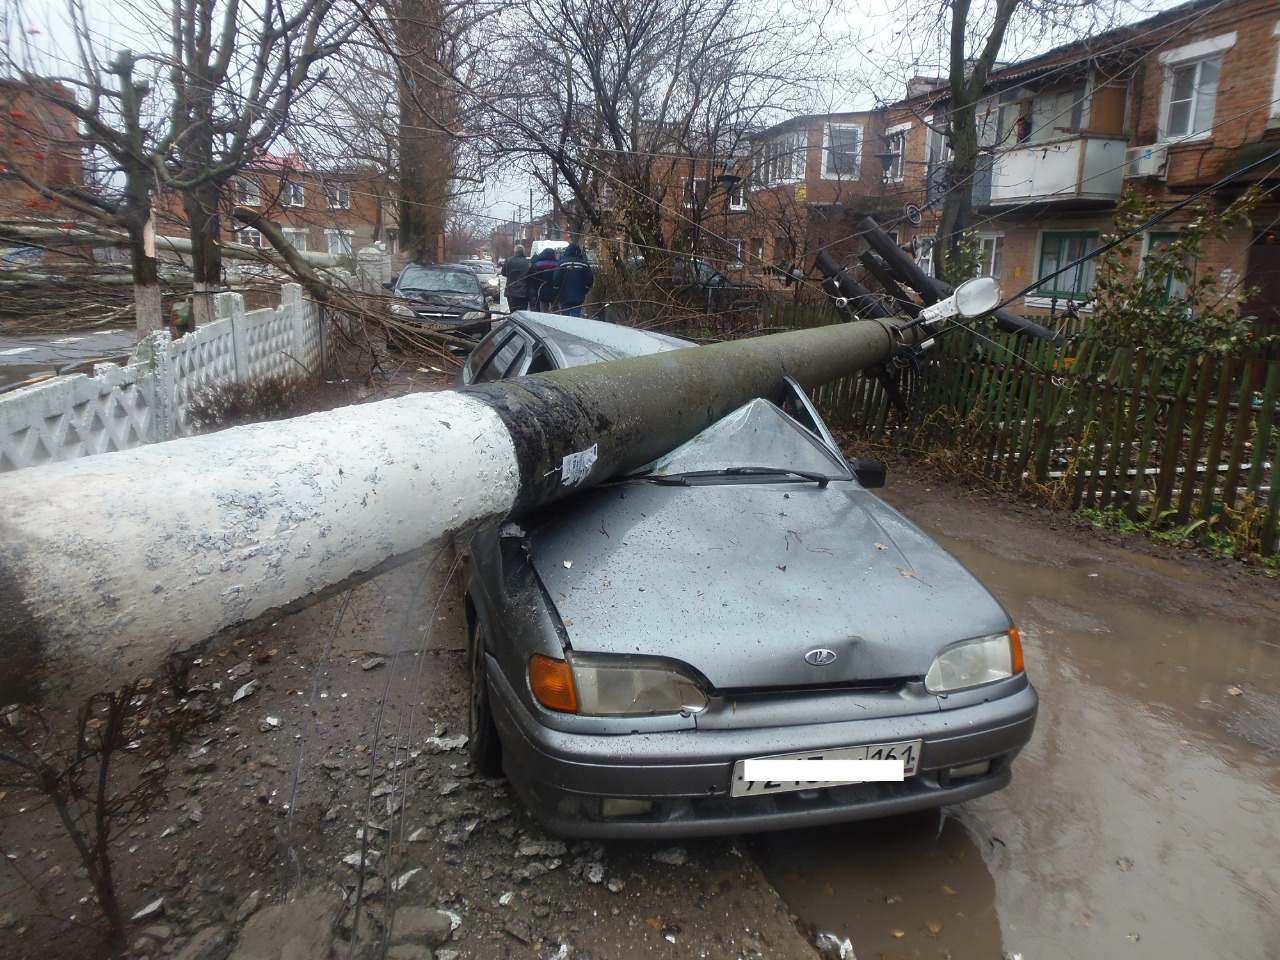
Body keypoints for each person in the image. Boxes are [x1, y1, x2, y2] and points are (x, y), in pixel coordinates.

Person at [552, 242, 594, 317]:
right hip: (578, 295)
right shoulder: (584, 264)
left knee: (565, 315)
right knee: (576, 316)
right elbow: (590, 279)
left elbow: (556, 279)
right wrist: (584, 290)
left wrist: (556, 290)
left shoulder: (562, 263)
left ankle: (565, 328)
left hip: (564, 295)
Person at [500, 244, 533, 312]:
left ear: (515, 252)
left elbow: (503, 273)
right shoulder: (528, 262)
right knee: (522, 313)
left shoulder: (508, 261)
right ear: (523, 252)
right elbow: (532, 275)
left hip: (511, 291)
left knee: (512, 312)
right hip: (524, 292)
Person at [529, 248, 561, 312]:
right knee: (555, 309)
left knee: (544, 310)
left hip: (542, 290)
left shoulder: (538, 265)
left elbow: (534, 277)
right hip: (555, 291)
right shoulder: (558, 265)